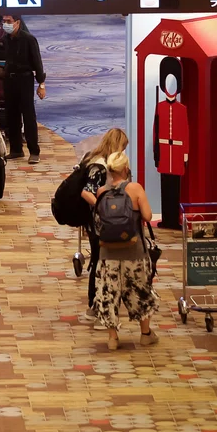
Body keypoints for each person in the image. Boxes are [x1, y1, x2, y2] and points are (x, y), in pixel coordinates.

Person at [93, 151, 160, 350]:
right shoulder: (135, 189)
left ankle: (113, 338)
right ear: (125, 168)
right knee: (140, 291)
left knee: (108, 294)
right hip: (134, 252)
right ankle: (145, 334)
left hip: (108, 254)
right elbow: (147, 216)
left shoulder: (101, 192)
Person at [79, 128, 130, 324]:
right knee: (99, 262)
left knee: (100, 261)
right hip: (99, 224)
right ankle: (95, 305)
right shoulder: (100, 166)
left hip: (98, 222)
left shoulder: (94, 159)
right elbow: (87, 192)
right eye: (122, 148)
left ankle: (97, 305)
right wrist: (104, 208)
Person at [2, 13, 46, 165]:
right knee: (11, 115)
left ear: (17, 22)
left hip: (25, 79)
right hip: (9, 79)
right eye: (4, 21)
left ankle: (34, 152)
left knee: (28, 116)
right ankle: (16, 149)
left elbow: (37, 62)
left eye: (8, 21)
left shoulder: (29, 39)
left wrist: (41, 84)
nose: (5, 24)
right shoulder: (6, 39)